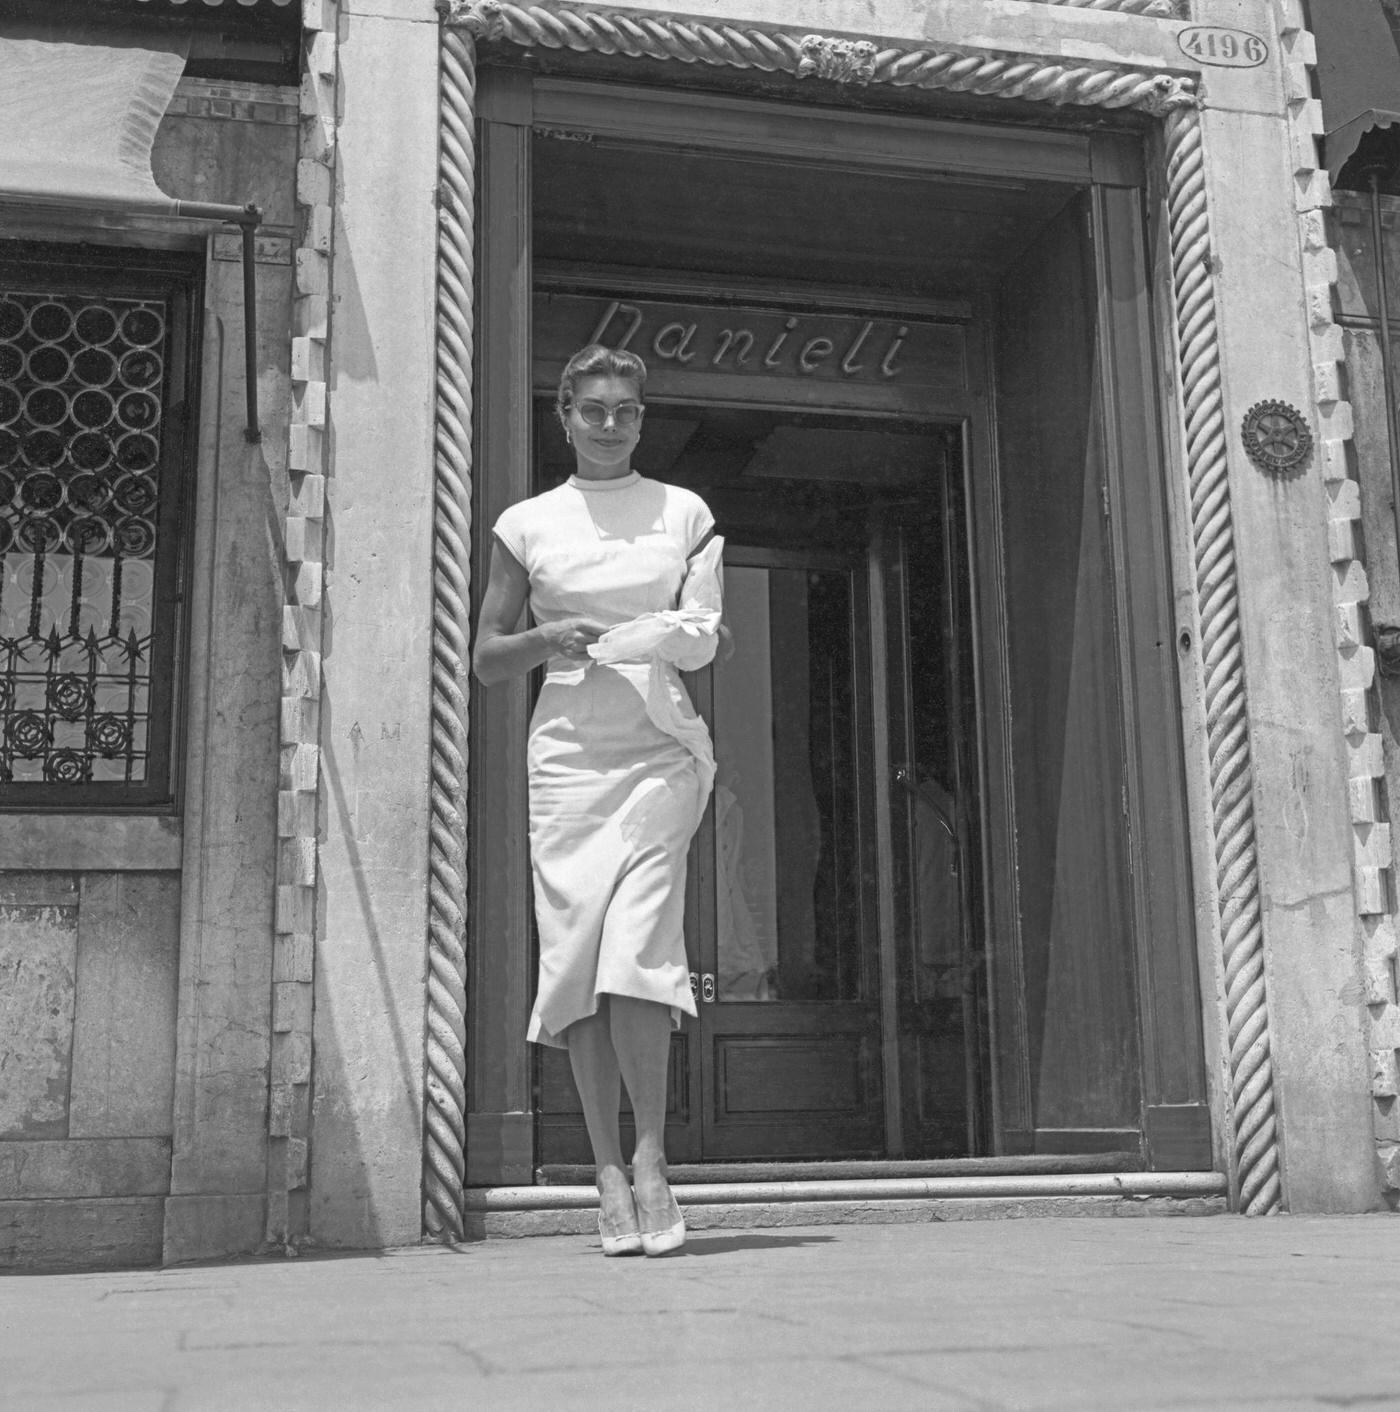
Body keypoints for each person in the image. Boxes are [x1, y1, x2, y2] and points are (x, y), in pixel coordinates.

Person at [472, 345, 723, 1257]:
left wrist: (658, 635)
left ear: (642, 420)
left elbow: (703, 635)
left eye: (625, 409)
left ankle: (654, 1160)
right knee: (577, 958)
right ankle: (606, 1170)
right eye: (593, 409)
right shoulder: (527, 522)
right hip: (570, 758)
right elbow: (487, 659)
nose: (610, 422)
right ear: (565, 417)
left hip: (659, 746)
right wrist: (548, 635)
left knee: (640, 951)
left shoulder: (683, 513)